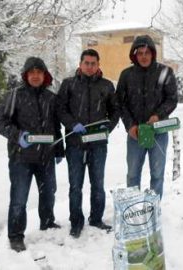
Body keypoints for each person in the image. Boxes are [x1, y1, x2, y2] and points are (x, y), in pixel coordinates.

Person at [0, 57, 65, 252]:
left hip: (45, 156)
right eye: (32, 72)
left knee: (48, 192)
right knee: (19, 198)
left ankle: (47, 222)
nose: (35, 76)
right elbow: (2, 123)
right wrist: (18, 136)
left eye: (39, 72)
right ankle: (16, 235)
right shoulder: (14, 96)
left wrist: (59, 150)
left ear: (44, 75)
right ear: (26, 75)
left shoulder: (50, 98)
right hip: (21, 158)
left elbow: (55, 127)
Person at [57, 49, 119, 238]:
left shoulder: (107, 86)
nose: (90, 67)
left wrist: (106, 129)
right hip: (75, 143)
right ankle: (76, 222)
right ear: (80, 64)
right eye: (87, 63)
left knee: (97, 183)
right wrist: (71, 124)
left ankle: (96, 218)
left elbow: (115, 112)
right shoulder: (69, 85)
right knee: (75, 185)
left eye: (93, 63)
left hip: (98, 145)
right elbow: (60, 109)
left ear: (98, 65)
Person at [116, 35, 178, 199]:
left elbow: (172, 99)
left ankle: (153, 207)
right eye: (140, 53)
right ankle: (134, 207)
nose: (144, 56)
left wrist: (158, 115)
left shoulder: (165, 72)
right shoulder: (126, 75)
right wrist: (130, 125)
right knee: (133, 174)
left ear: (152, 53)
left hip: (158, 132)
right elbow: (120, 104)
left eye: (147, 52)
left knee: (157, 174)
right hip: (135, 133)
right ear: (134, 55)